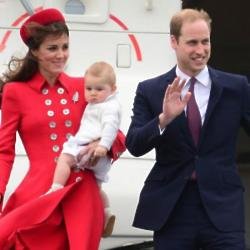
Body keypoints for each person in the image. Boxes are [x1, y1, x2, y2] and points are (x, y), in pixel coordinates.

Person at [0, 8, 125, 250]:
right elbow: (4, 151)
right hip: (40, 191)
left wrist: (98, 146)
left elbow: (118, 134)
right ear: (35, 52)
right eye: (52, 48)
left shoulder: (84, 87)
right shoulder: (16, 92)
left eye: (65, 47)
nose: (61, 55)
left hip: (81, 193)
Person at [126, 8, 250, 250]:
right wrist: (163, 118)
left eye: (205, 42)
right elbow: (135, 144)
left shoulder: (236, 87)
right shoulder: (150, 90)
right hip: (172, 208)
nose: (201, 50)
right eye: (192, 43)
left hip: (222, 206)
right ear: (174, 41)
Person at [49, 61, 121, 237]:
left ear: (113, 89)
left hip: (86, 151)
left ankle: (55, 188)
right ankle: (107, 212)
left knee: (65, 158)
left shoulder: (108, 106)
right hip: (100, 160)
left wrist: (103, 145)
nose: (93, 93)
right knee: (96, 190)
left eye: (98, 89)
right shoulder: (104, 102)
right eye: (89, 89)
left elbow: (112, 127)